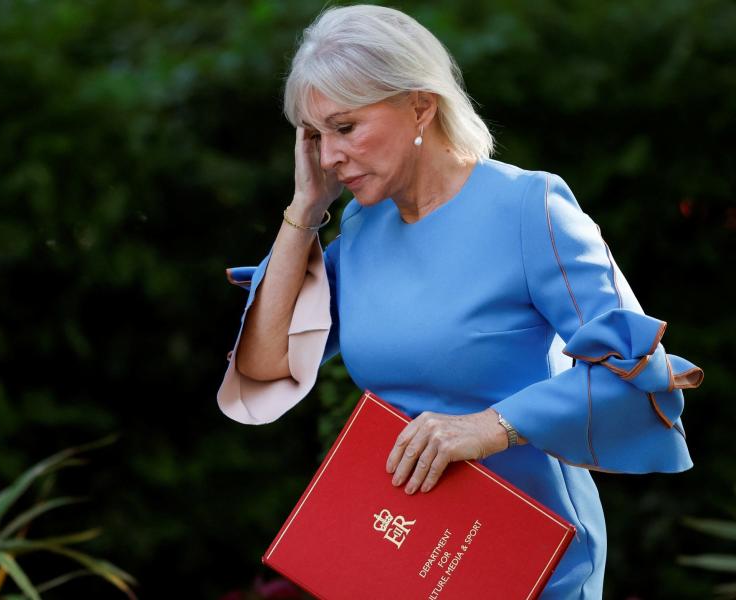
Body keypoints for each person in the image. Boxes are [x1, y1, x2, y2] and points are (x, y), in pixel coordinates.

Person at [216, 5, 703, 598]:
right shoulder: (363, 230)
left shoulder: (531, 208)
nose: (327, 156)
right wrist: (305, 211)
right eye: (315, 136)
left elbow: (636, 373)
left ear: (421, 105)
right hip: (405, 558)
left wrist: (491, 427)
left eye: (345, 128)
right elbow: (265, 365)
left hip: (529, 559)